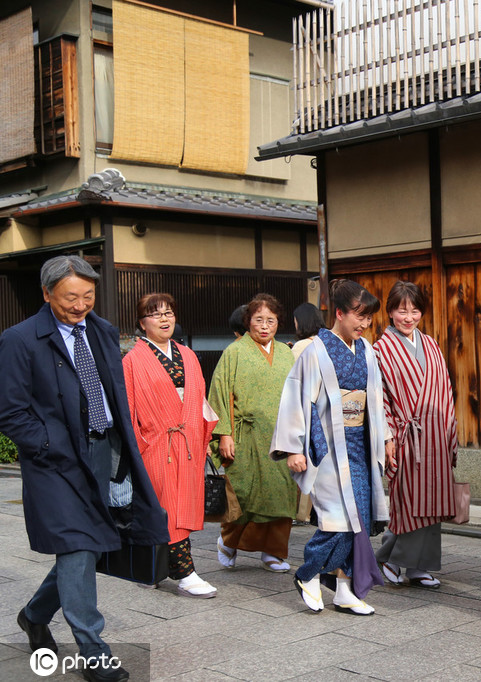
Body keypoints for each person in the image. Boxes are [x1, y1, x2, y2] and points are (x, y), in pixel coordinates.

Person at [0, 255, 168, 682]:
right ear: (46, 294)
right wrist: (50, 446)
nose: (80, 306)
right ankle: (94, 651)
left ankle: (34, 615)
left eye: (88, 296)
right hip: (54, 462)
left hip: (104, 452)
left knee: (89, 546)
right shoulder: (20, 340)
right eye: (71, 297)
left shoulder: (103, 331)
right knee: (76, 546)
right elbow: (11, 412)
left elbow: (113, 391)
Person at [271, 279, 393, 615]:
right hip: (328, 448)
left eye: (368, 318)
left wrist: (385, 437)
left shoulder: (366, 350)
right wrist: (294, 448)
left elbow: (376, 400)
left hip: (361, 446)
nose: (365, 324)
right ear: (339, 313)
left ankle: (344, 588)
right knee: (337, 520)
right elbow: (297, 399)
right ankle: (308, 573)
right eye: (359, 316)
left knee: (360, 520)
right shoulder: (315, 351)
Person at [123, 293, 218, 598]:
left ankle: (150, 569)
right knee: (167, 508)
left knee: (181, 507)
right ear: (142, 324)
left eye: (168, 313)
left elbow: (200, 398)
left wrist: (204, 434)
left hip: (188, 442)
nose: (164, 319)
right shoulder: (132, 360)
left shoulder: (188, 355)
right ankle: (185, 572)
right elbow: (128, 410)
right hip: (156, 445)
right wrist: (141, 446)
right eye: (155, 314)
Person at [373, 281, 458, 588]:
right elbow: (378, 398)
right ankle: (394, 559)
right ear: (391, 311)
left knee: (431, 502)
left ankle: (420, 566)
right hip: (405, 436)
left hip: (434, 433)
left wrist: (450, 432)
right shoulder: (380, 349)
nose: (408, 318)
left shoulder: (431, 344)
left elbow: (445, 390)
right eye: (401, 310)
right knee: (408, 501)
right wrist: (388, 437)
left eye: (415, 310)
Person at [209, 293, 297, 571]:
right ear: (248, 322)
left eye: (270, 320)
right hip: (244, 436)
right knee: (244, 494)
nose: (264, 326)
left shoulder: (286, 353)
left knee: (281, 494)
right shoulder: (234, 352)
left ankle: (273, 552)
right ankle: (229, 541)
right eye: (258, 320)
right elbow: (219, 394)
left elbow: (297, 395)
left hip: (280, 437)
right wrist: (224, 434)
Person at [291, 302, 326, 524]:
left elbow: (292, 380)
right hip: (326, 409)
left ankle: (301, 512)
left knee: (304, 460)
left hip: (305, 408)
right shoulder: (327, 343)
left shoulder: (301, 346)